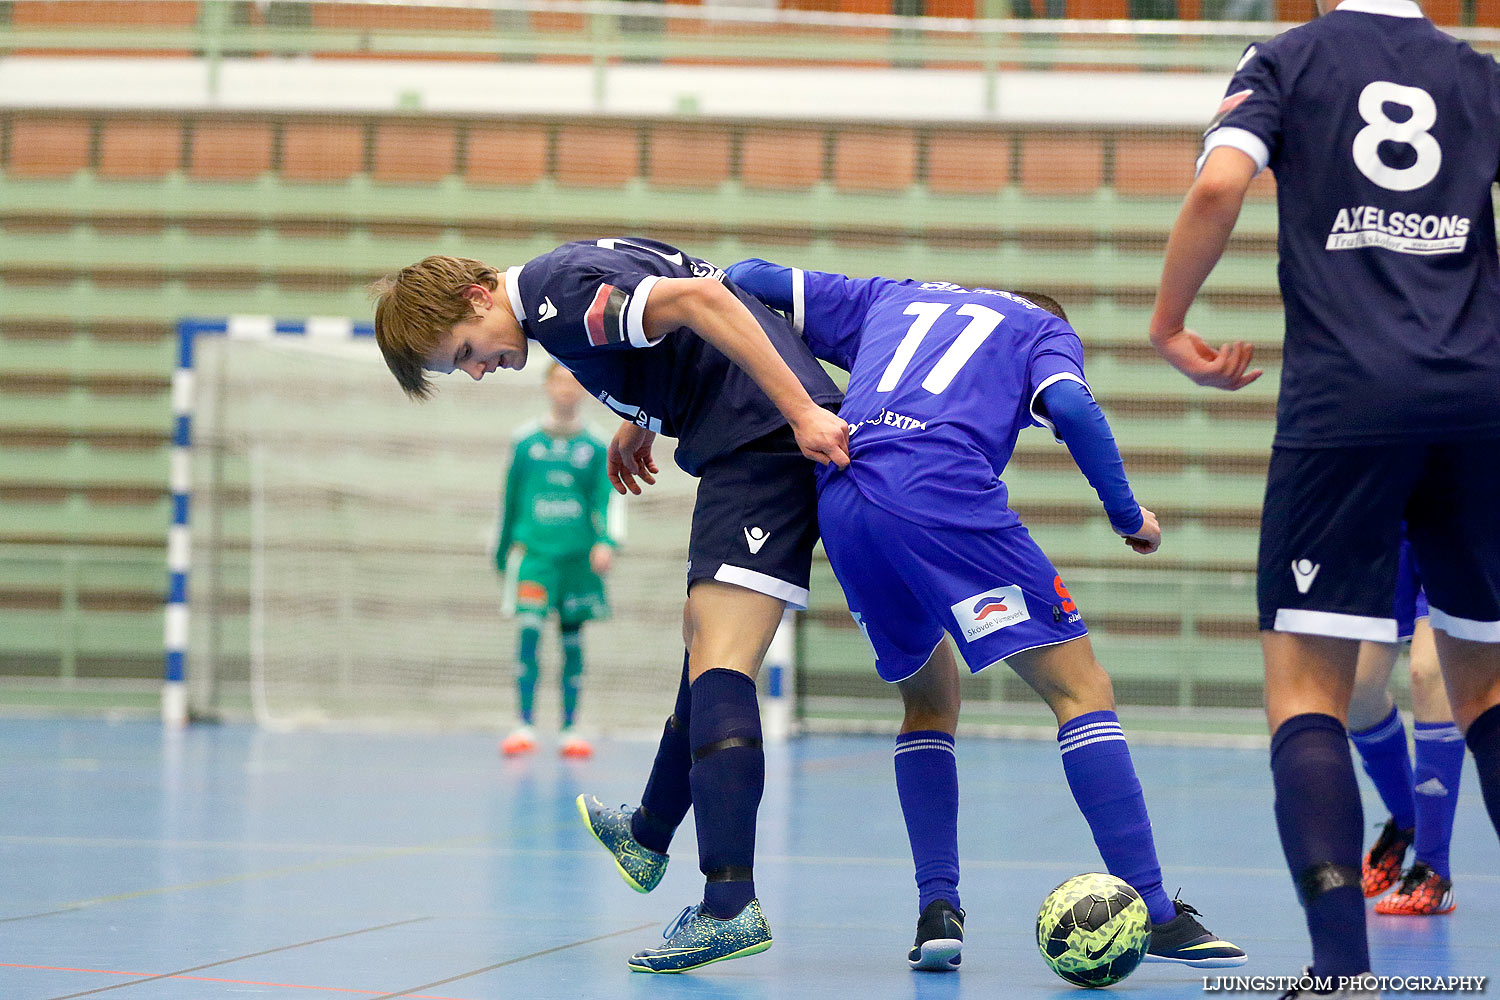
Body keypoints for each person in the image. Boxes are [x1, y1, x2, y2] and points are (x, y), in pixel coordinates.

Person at [725, 258, 1246, 972]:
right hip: (942, 494)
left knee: (929, 702)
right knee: (1080, 690)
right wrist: (1130, 515)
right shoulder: (1042, 329)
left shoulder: (892, 294)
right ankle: (1154, 912)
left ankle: (938, 907)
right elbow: (1070, 407)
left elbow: (744, 277)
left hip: (844, 498)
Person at [371, 238, 850, 973]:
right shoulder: (563, 279)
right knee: (705, 639)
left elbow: (705, 301)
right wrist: (649, 413)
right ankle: (650, 831)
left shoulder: (559, 304)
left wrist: (800, 413)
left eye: (465, 352)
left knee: (721, 657)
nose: (475, 371)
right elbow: (677, 304)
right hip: (745, 434)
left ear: (475, 298)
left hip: (760, 439)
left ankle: (729, 904)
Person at [1147, 0, 1500, 994]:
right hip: (1478, 396)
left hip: (1347, 398)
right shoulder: (1476, 73)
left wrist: (1171, 324)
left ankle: (1343, 973)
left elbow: (1220, 185)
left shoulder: (1288, 60)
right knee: (1484, 686)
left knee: (1308, 691)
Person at [495, 363, 616, 761]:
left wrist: (607, 541)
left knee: (572, 642)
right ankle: (523, 725)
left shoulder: (596, 446)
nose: (566, 389)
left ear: (583, 388)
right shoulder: (525, 442)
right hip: (535, 557)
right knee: (529, 633)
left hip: (577, 559)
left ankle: (570, 729)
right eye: (559, 381)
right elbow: (509, 501)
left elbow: (606, 498)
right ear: (547, 386)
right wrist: (502, 552)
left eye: (573, 381)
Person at [1349, 539, 1463, 915]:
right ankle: (1409, 820)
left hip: (1455, 513)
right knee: (1356, 691)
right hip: (1389, 517)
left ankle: (1433, 868)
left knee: (1430, 672)